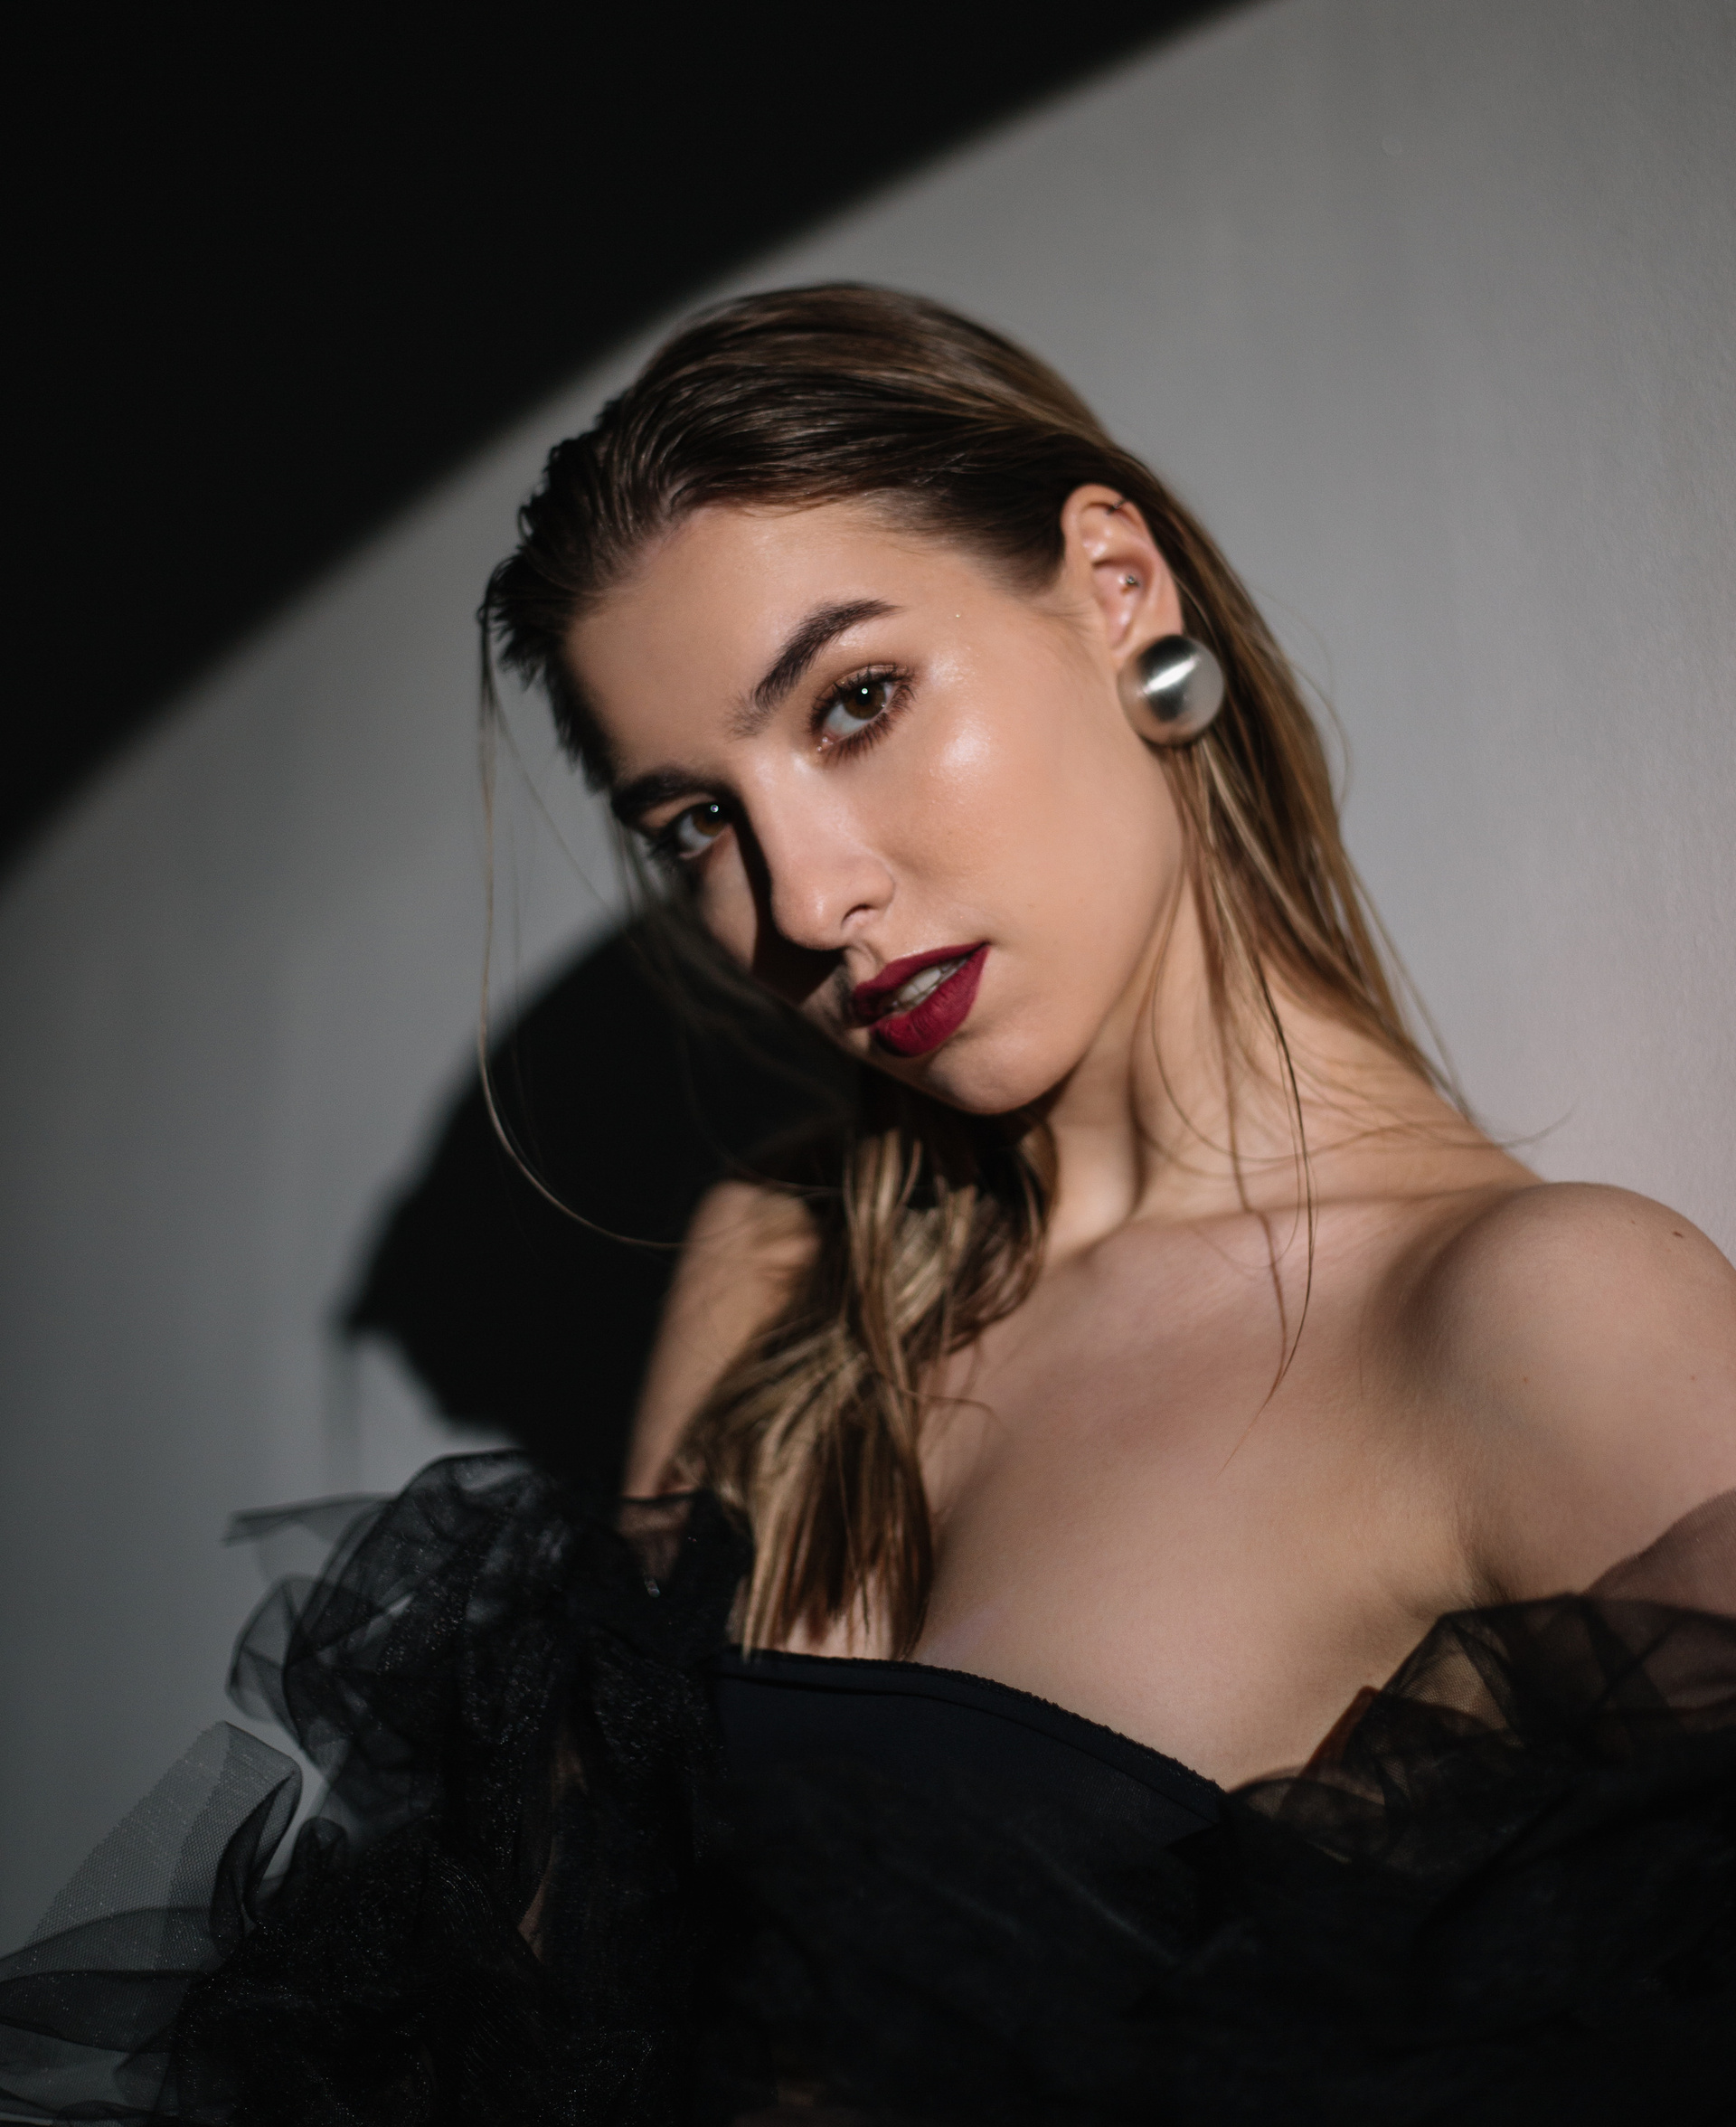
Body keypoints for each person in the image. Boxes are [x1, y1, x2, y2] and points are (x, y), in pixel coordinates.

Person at [5, 283, 1736, 2122]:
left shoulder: (1547, 1313)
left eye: (856, 702)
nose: (804, 899)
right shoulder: (776, 1288)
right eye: (696, 824)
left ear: (1118, 588)